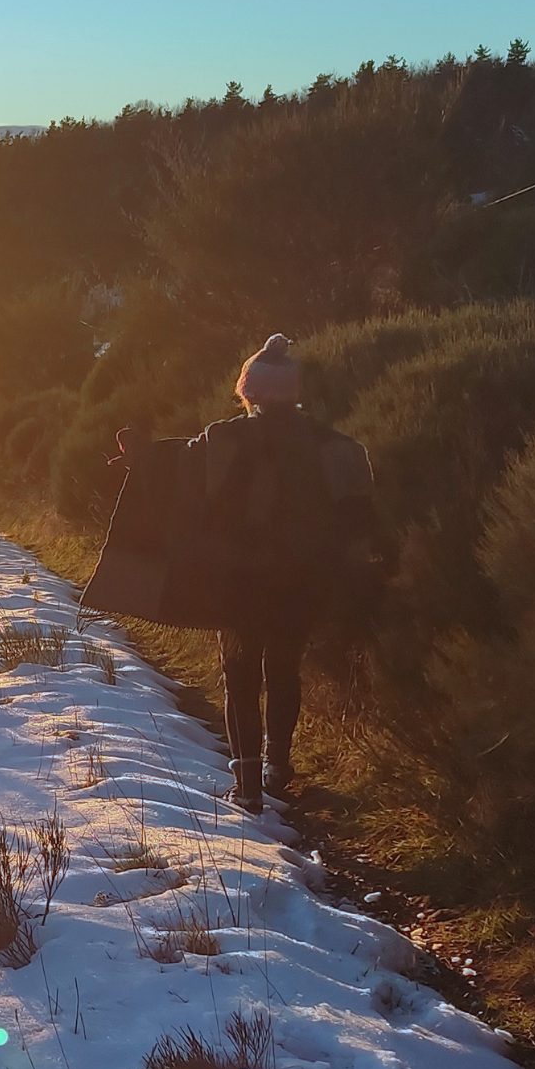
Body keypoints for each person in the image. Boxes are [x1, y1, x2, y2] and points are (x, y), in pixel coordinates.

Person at [119, 335, 374, 812]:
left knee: (239, 675)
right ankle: (279, 766)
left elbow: (175, 471)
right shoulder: (330, 443)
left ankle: (248, 786)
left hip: (236, 580)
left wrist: (141, 459)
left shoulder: (223, 439)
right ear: (295, 393)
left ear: (248, 392)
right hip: (299, 578)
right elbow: (358, 511)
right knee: (283, 669)